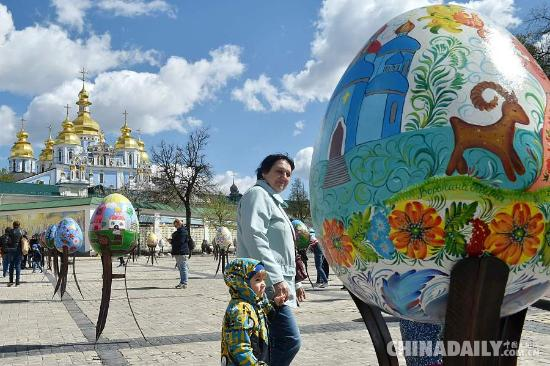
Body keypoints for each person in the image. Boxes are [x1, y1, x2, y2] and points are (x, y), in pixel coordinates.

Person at [236, 153, 303, 366]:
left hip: (273, 282)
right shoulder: (258, 195)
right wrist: (276, 279)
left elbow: (281, 247)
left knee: (270, 341)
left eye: (288, 174)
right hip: (265, 284)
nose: (284, 177)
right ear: (264, 172)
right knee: (289, 340)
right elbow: (255, 237)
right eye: (279, 171)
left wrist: (296, 282)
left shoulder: (273, 201)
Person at [221, 258, 281, 365]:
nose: (263, 284)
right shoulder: (240, 310)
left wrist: (274, 303)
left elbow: (263, 309)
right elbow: (240, 348)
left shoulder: (253, 301)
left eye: (263, 280)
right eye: (257, 280)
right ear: (242, 283)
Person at [171, 219, 190, 289]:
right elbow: (177, 241)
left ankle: (184, 283)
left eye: (176, 224)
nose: (175, 226)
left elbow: (180, 242)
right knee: (181, 268)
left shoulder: (183, 231)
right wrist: (172, 241)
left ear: (179, 224)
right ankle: (182, 282)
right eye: (174, 225)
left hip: (182, 252)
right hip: (178, 252)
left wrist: (172, 241)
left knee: (183, 268)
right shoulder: (179, 231)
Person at [6, 221, 25, 286]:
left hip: (11, 250)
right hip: (19, 250)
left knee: (11, 265)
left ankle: (11, 281)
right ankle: (17, 282)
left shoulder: (10, 231)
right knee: (18, 265)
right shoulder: (21, 232)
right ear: (19, 225)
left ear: (13, 225)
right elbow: (23, 241)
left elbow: (7, 241)